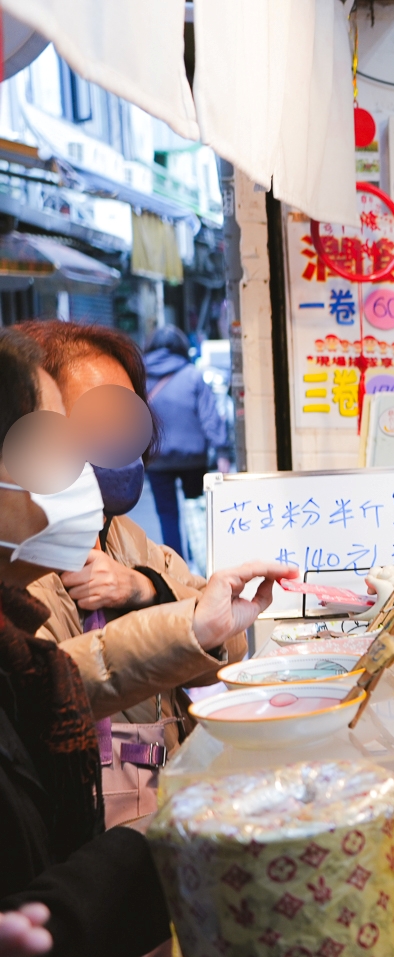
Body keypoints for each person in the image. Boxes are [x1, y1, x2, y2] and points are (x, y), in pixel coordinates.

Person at [0, 330, 295, 957]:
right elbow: (70, 680)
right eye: (69, 428)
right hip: (86, 903)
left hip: (127, 904)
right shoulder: (24, 590)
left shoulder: (140, 545)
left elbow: (217, 642)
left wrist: (156, 596)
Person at [15, 321, 246, 824]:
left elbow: (223, 651)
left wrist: (144, 588)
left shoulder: (128, 539)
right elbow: (49, 688)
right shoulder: (20, 562)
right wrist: (188, 622)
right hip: (75, 831)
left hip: (154, 809)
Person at [140, 325, 229, 557]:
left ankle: (175, 564)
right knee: (196, 510)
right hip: (193, 459)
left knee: (167, 514)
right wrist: (222, 452)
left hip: (156, 458)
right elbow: (209, 417)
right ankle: (199, 558)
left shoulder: (140, 377)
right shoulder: (192, 375)